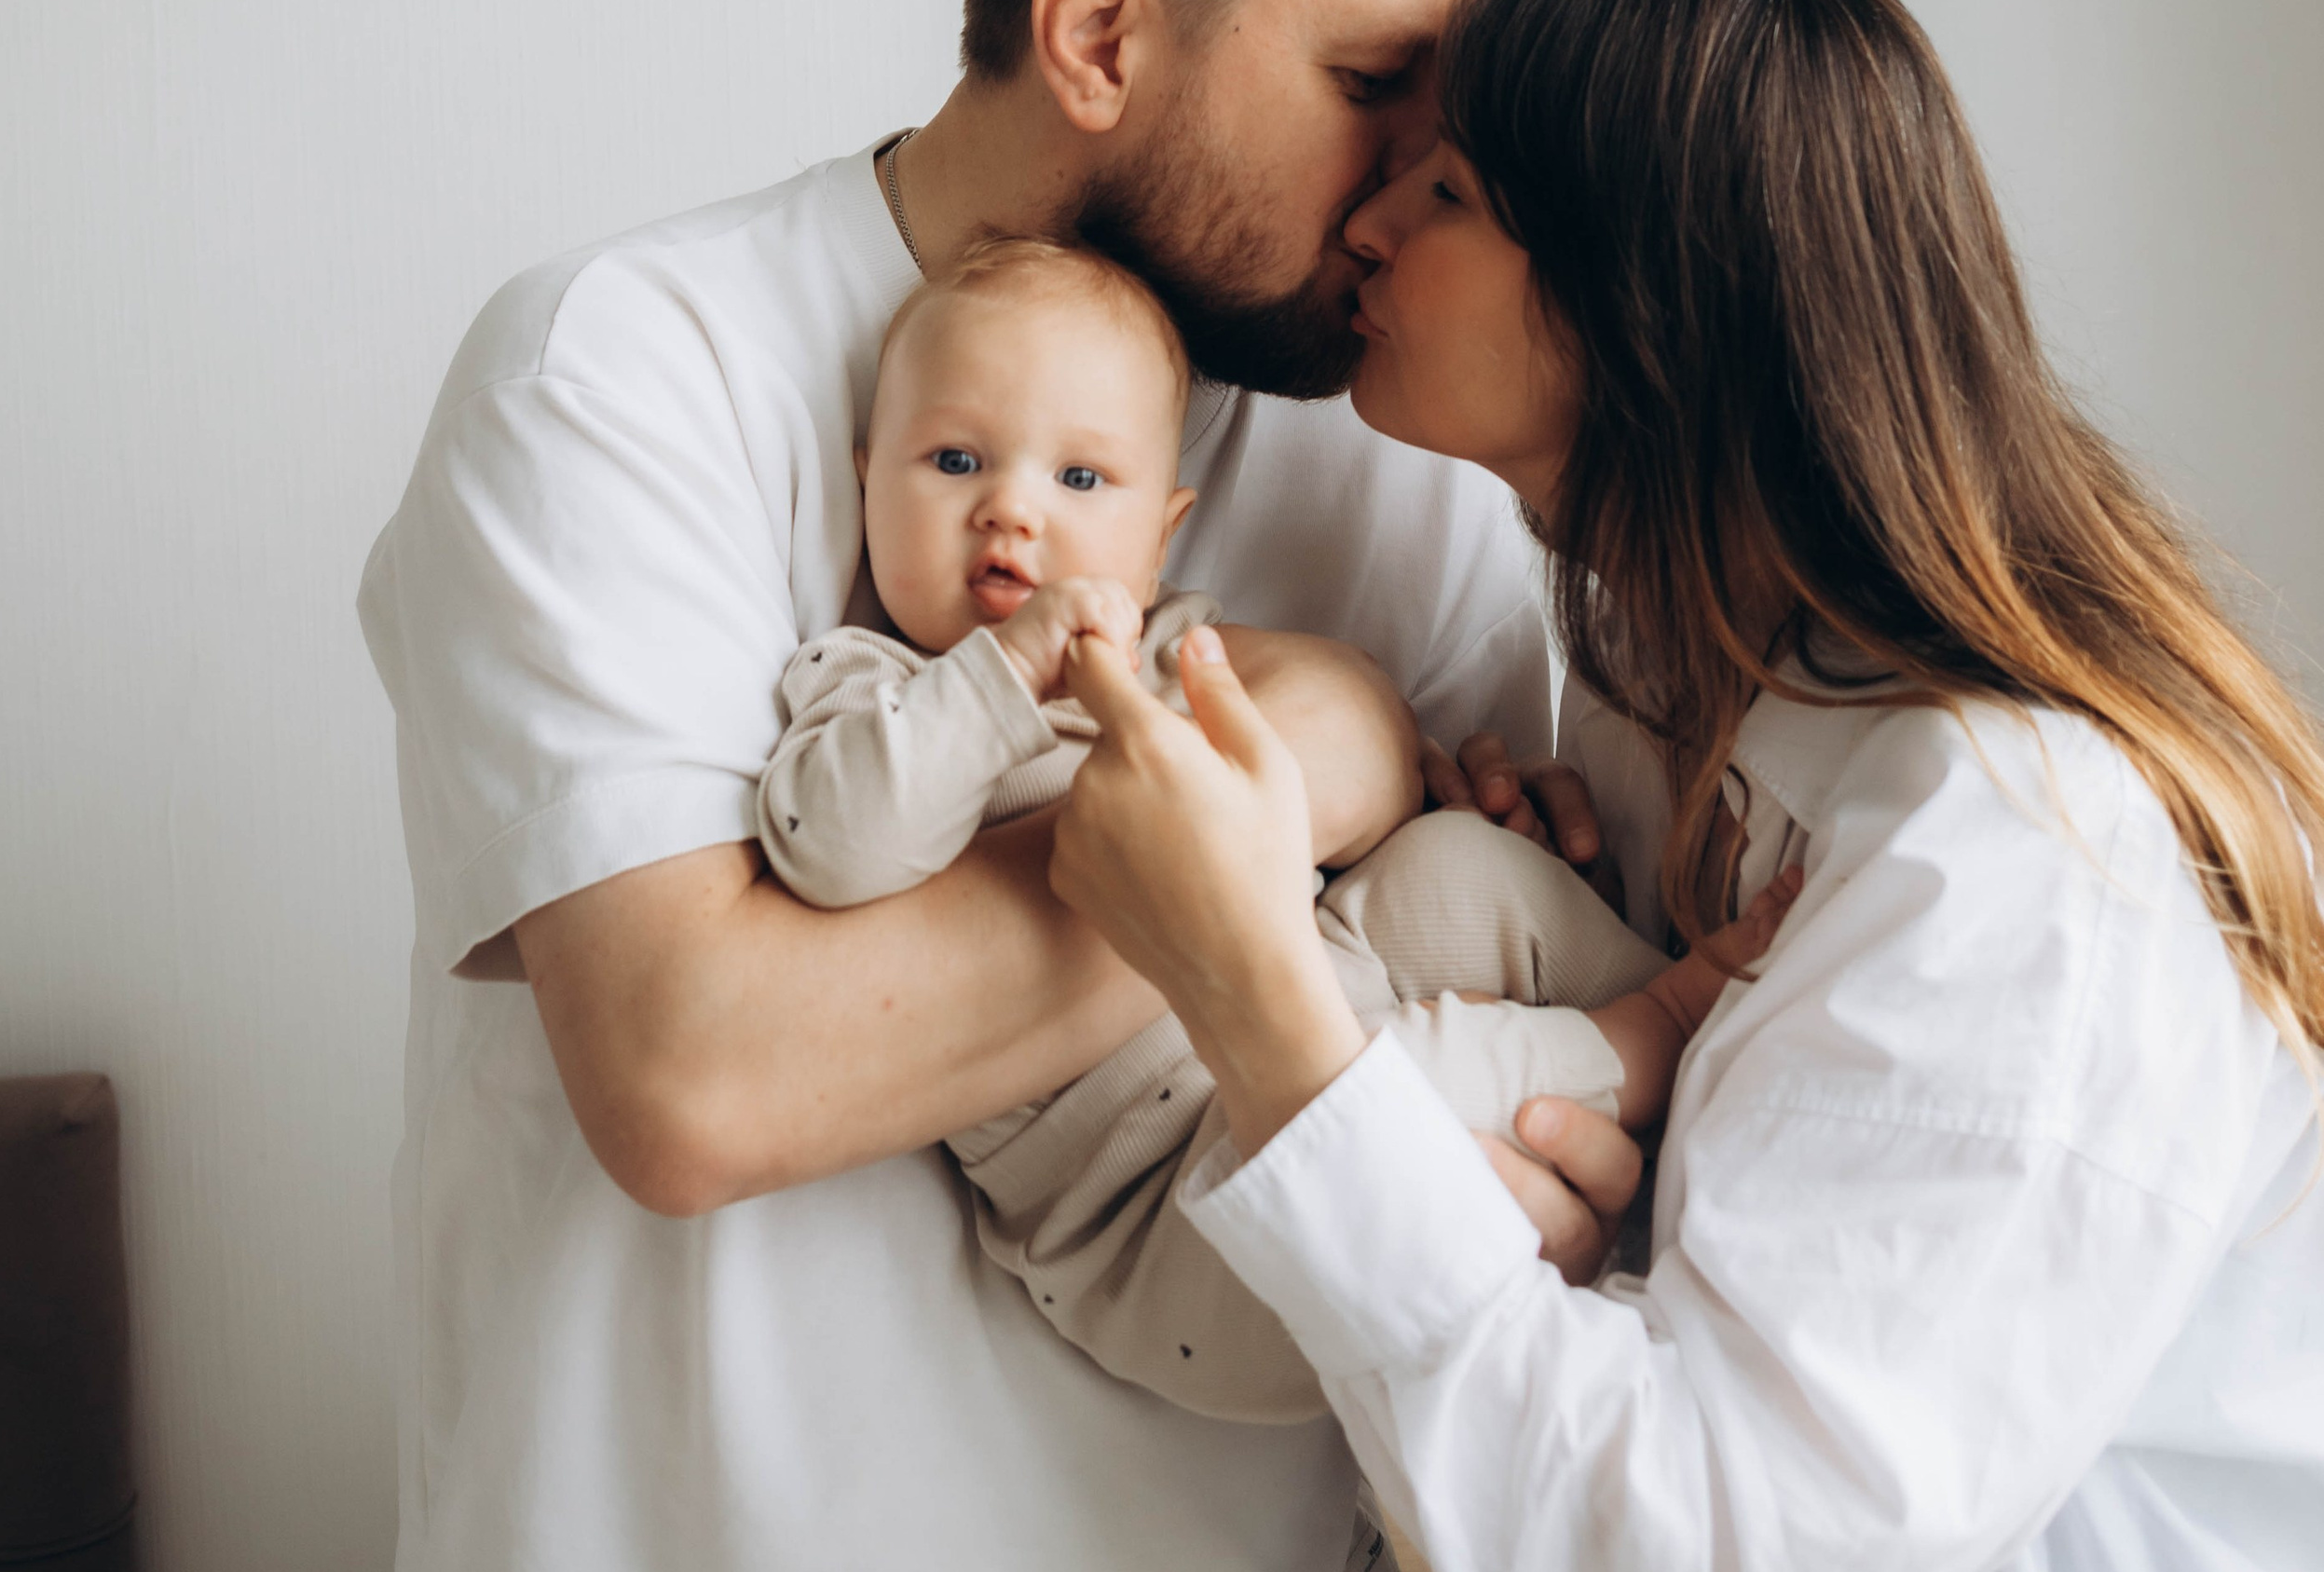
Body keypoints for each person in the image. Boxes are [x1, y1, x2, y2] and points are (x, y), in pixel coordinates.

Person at [360, 0, 1621, 1572]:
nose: (1415, 185)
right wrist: (1304, 768)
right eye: (1368, 83)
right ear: (1103, 28)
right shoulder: (624, 371)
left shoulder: (1393, 465)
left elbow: (1487, 1059)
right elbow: (698, 1069)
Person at [1049, 0, 2324, 1572]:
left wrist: (1254, 991)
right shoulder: (1676, 698)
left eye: (1449, 186)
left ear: (1648, 303)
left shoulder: (2025, 855)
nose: (1367, 223)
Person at [763, 228, 1796, 1422]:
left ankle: (1665, 1032)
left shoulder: (1181, 656)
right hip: (1171, 1220)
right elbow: (832, 846)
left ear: (1161, 532)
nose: (1010, 513)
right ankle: (1653, 1035)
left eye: (1080, 481)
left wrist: (1454, 798)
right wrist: (1000, 677)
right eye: (953, 460)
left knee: (1458, 872)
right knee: (1399, 1093)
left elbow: (1338, 805)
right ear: (865, 479)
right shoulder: (864, 688)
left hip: (1315, 1000)